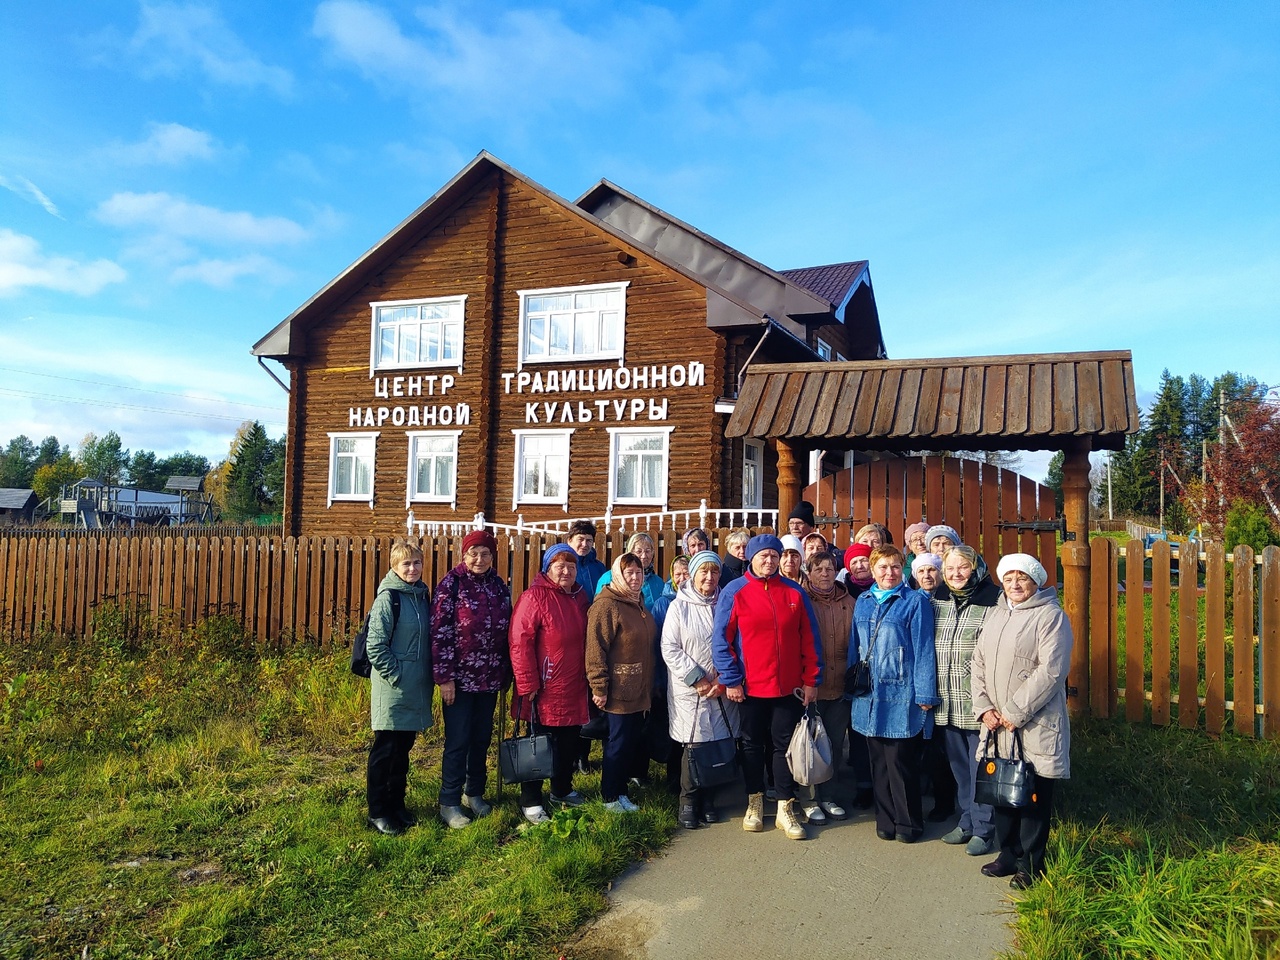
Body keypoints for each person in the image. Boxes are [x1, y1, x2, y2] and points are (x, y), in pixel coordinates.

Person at [971, 553, 1072, 890]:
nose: (1015, 584)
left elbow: (1052, 671)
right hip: (996, 724)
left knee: (1033, 795)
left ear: (1036, 581)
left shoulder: (1050, 616)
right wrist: (984, 707)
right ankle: (1007, 854)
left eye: (1023, 578)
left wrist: (1014, 713)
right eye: (1009, 577)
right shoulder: (997, 613)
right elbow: (979, 661)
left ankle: (1032, 863)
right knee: (1002, 791)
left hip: (1032, 724)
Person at [712, 534, 822, 840]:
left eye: (775, 556)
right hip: (749, 687)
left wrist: (812, 679)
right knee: (752, 745)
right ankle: (755, 801)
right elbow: (722, 639)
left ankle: (785, 806)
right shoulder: (735, 591)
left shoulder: (794, 592)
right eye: (764, 556)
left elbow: (810, 639)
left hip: (788, 688)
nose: (770, 561)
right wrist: (731, 679)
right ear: (751, 558)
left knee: (784, 746)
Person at [848, 544, 938, 843]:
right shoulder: (862, 601)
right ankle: (885, 820)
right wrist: (853, 684)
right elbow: (855, 646)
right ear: (872, 571)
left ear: (903, 569)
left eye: (895, 566)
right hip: (869, 694)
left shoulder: (914, 602)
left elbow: (924, 649)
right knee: (878, 763)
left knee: (901, 762)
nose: (889, 573)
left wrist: (925, 693)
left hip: (901, 692)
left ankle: (909, 823)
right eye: (883, 567)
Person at [431, 530, 512, 830]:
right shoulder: (451, 585)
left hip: (490, 678)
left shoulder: (499, 586)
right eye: (474, 553)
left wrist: (506, 671)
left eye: (486, 553)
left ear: (493, 556)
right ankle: (449, 801)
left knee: (481, 739)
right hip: (460, 681)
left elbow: (507, 631)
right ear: (464, 555)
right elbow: (439, 633)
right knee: (458, 740)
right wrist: (445, 678)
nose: (480, 559)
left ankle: (473, 793)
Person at [509, 543, 592, 824]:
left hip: (573, 684)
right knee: (538, 743)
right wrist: (527, 682)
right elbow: (520, 642)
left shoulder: (581, 598)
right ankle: (530, 800)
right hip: (543, 686)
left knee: (568, 741)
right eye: (560, 565)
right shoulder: (534, 597)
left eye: (571, 566)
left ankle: (561, 789)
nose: (566, 571)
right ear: (548, 568)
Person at [930, 544, 1000, 856]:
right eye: (950, 569)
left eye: (963, 567)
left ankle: (985, 829)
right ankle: (967, 820)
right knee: (959, 767)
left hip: (978, 702)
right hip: (946, 700)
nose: (956, 574)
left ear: (976, 567)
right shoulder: (938, 600)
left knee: (981, 766)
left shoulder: (994, 600)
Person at [662, 550, 737, 828]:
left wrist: (723, 680)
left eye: (714, 571)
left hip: (721, 686)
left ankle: (709, 800)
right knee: (694, 745)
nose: (709, 577)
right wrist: (697, 678)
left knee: (718, 742)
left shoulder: (726, 603)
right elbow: (670, 647)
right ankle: (688, 800)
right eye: (703, 571)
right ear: (693, 574)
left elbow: (737, 641)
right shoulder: (679, 606)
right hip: (690, 688)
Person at [365, 539, 434, 835]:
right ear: (394, 567)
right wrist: (397, 676)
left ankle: (397, 804)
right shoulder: (388, 598)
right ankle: (378, 810)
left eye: (417, 562)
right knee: (385, 750)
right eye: (406, 563)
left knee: (403, 750)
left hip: (415, 687)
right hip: (393, 688)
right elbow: (376, 646)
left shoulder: (421, 595)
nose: (412, 568)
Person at [587, 553, 657, 813]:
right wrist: (599, 687)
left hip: (639, 688)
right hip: (618, 690)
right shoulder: (607, 605)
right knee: (617, 745)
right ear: (618, 575)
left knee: (629, 743)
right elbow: (595, 649)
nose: (635, 577)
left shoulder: (636, 603)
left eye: (639, 572)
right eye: (629, 573)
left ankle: (621, 792)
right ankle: (609, 797)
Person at [801, 551, 854, 822]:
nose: (825, 574)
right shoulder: (800, 599)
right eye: (818, 569)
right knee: (808, 744)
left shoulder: (850, 602)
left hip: (839, 685)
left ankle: (829, 796)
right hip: (808, 687)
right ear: (808, 572)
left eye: (830, 569)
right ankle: (809, 799)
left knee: (833, 743)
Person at [841, 541, 876, 807]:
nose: (860, 566)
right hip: (854, 670)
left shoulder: (884, 588)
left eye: (864, 560)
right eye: (854, 563)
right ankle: (863, 785)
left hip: (882, 671)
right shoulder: (845, 592)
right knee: (858, 732)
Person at [595, 532, 665, 609]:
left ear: (652, 553)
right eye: (639, 551)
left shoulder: (658, 582)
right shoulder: (610, 577)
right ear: (630, 553)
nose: (644, 556)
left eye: (647, 551)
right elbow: (600, 607)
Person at [566, 520, 607, 595]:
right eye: (580, 539)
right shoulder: (562, 566)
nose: (584, 544)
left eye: (589, 540)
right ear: (569, 540)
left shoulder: (599, 567)